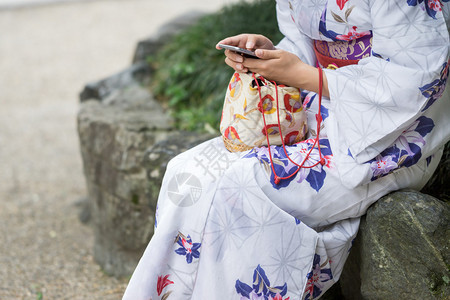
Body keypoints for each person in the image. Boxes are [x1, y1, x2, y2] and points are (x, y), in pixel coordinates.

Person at [123, 0, 449, 299]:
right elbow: (301, 46)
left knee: (240, 188)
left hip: (391, 133)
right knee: (188, 171)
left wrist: (302, 75)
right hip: (314, 111)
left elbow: (417, 73)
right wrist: (269, 57)